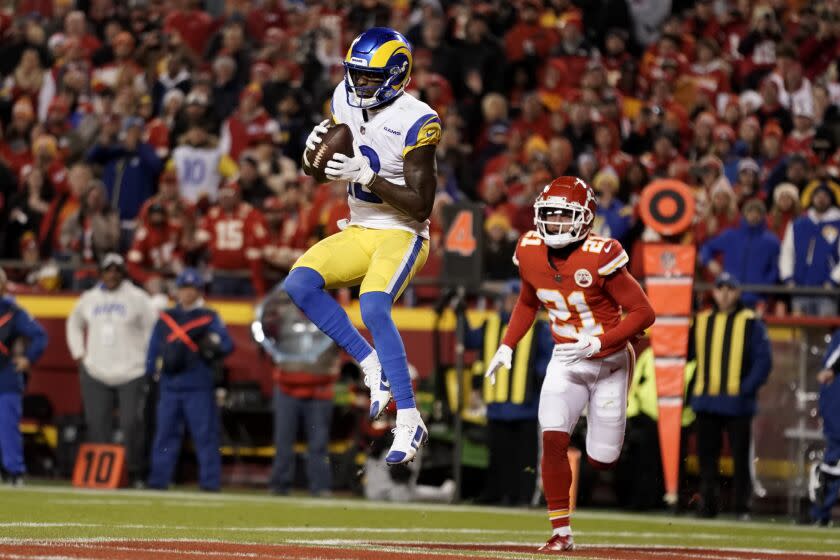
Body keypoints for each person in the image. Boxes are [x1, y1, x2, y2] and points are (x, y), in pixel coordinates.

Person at [283, 27, 440, 465]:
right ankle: (371, 364)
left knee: (373, 306)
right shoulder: (342, 99)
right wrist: (310, 157)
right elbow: (323, 167)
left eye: (370, 77)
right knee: (298, 284)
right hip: (360, 227)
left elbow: (422, 205)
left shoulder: (419, 120)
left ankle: (409, 418)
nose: (359, 84)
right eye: (355, 74)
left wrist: (367, 176)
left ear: (397, 75)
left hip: (402, 232)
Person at [484, 176, 656, 551]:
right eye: (550, 215)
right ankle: (561, 533)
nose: (556, 224)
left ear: (585, 219)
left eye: (565, 216)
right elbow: (529, 301)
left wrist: (600, 341)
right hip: (565, 360)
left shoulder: (602, 253)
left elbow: (644, 312)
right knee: (552, 438)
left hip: (609, 362)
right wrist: (507, 345)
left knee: (603, 458)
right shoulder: (529, 249)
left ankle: (600, 424)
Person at [65, 253, 158, 487]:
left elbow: (153, 329)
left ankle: (135, 472)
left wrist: (149, 359)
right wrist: (79, 353)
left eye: (117, 270)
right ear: (101, 272)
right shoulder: (89, 298)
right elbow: (73, 323)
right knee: (97, 424)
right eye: (108, 270)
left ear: (123, 273)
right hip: (96, 369)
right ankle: (101, 474)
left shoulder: (138, 298)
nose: (112, 274)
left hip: (131, 370)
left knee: (131, 424)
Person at [689, 272, 772, 519]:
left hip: (738, 403)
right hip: (706, 401)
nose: (724, 294)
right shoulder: (702, 320)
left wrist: (745, 388)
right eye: (720, 288)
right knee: (707, 460)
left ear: (737, 293)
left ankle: (741, 506)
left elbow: (763, 361)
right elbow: (688, 355)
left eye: (730, 289)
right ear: (714, 292)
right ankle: (708, 505)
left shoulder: (751, 322)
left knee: (740, 458)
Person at [466, 279, 552, 506]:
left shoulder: (539, 327)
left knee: (525, 457)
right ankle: (497, 494)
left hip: (526, 405)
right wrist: (459, 312)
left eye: (518, 300)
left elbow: (548, 359)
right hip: (496, 405)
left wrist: (538, 377)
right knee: (498, 455)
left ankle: (523, 496)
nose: (513, 305)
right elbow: (468, 340)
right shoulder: (490, 325)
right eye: (510, 300)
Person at [146, 269, 233, 491]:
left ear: (198, 291)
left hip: (198, 384)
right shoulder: (167, 317)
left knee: (205, 436)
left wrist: (211, 345)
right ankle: (159, 480)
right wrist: (149, 372)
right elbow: (154, 347)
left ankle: (210, 483)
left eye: (192, 289)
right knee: (165, 435)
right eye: (184, 288)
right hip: (170, 383)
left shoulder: (209, 316)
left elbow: (226, 345)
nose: (187, 293)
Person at [0, 268, 47, 486]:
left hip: (5, 375)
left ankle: (14, 472)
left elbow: (40, 336)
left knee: (7, 426)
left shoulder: (13, 311)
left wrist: (28, 358)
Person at [810, 328, 840, 526]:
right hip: (836, 400)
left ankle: (826, 472)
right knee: (836, 454)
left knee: (836, 456)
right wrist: (832, 369)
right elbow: (829, 370)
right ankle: (826, 472)